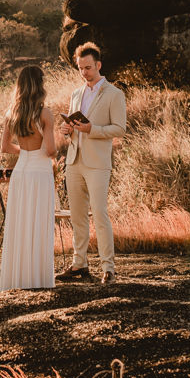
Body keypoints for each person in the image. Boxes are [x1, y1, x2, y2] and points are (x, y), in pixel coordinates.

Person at [58, 42, 126, 284]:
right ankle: (80, 264)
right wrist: (66, 129)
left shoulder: (115, 94)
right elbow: (71, 127)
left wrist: (91, 129)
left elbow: (120, 128)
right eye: (80, 68)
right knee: (77, 216)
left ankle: (108, 267)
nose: (84, 72)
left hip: (98, 163)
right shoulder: (76, 93)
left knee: (99, 214)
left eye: (88, 67)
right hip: (74, 160)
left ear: (98, 65)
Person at [0, 66, 57, 291]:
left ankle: (17, 279)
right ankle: (38, 279)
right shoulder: (45, 113)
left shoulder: (12, 112)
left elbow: (4, 147)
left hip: (21, 171)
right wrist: (64, 136)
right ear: (39, 85)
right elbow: (50, 150)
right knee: (38, 223)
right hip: (40, 172)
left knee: (20, 223)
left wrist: (24, 152)